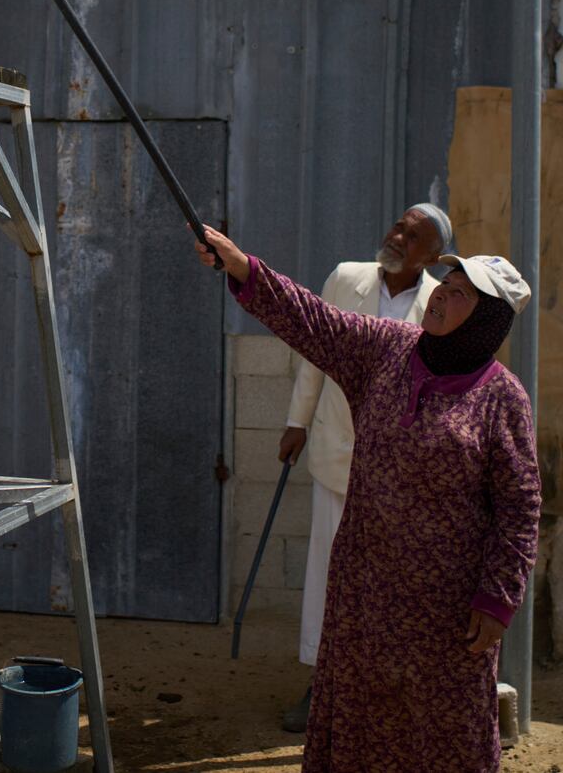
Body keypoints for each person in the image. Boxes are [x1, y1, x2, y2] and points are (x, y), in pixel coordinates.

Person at [198, 227, 540, 773]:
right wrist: (243, 267)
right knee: (359, 720)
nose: (440, 297)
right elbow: (314, 320)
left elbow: (519, 509)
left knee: (445, 730)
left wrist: (498, 599)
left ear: (486, 321)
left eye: (459, 295)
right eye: (444, 285)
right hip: (365, 591)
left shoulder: (502, 398)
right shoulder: (388, 349)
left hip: (445, 612)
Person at [276, 202, 454, 732]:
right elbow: (316, 350)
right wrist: (297, 422)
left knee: (391, 584)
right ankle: (323, 685)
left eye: (414, 235)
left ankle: (379, 693)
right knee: (328, 574)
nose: (398, 236)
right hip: (336, 457)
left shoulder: (438, 305)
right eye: (399, 225)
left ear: (434, 257)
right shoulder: (346, 278)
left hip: (399, 477)